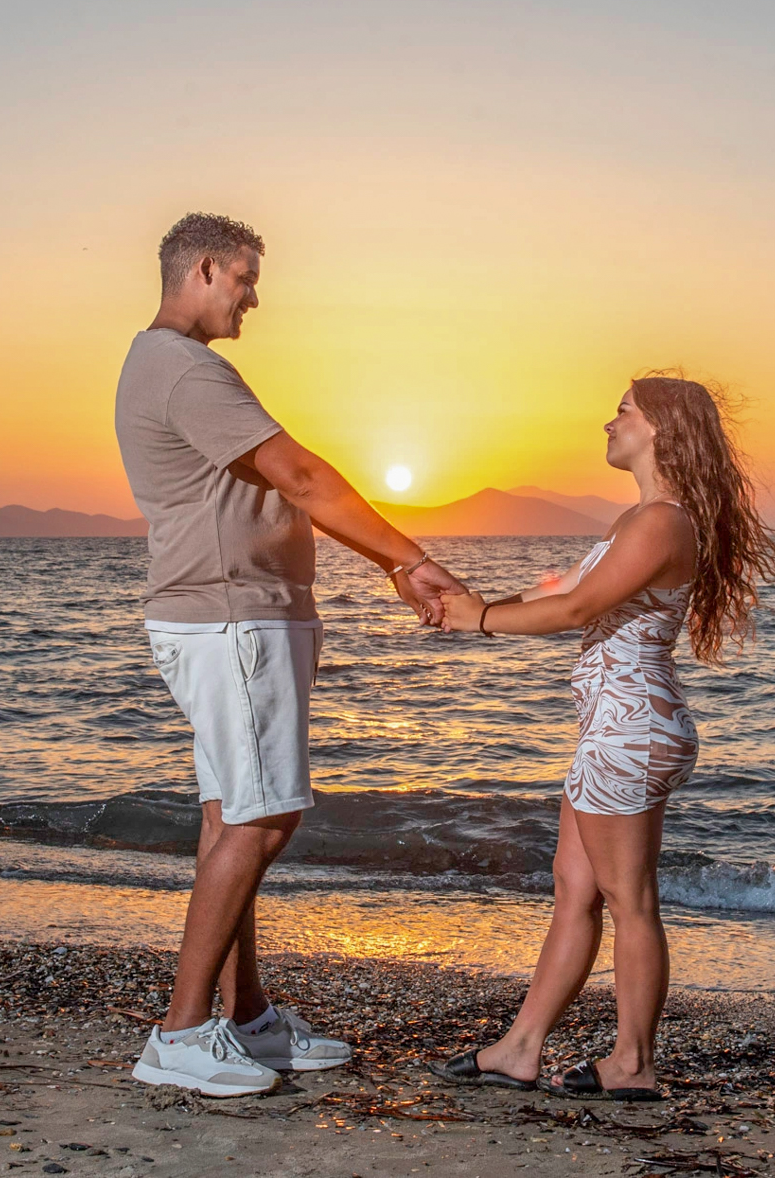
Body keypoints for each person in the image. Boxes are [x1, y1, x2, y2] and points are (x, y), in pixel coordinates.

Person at [115, 213, 466, 1097]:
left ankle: (246, 1017)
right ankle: (180, 1033)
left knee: (234, 814)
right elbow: (301, 476)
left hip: (234, 614)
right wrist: (409, 558)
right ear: (201, 269)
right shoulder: (184, 369)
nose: (254, 295)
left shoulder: (167, 366)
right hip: (232, 618)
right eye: (243, 277)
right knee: (264, 818)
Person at [431, 374, 775, 1100]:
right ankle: (520, 1049)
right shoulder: (644, 520)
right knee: (574, 889)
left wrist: (481, 621)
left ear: (660, 427)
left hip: (629, 730)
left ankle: (634, 1064)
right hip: (616, 729)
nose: (608, 421)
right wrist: (474, 599)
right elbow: (569, 596)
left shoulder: (661, 521)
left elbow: (579, 608)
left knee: (630, 901)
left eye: (623, 410)